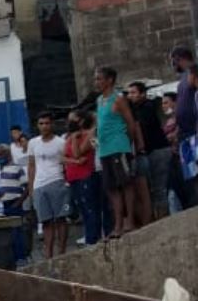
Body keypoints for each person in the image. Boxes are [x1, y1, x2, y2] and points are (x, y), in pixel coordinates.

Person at [95, 67, 146, 238]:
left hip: (119, 147)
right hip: (104, 150)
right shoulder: (99, 100)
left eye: (99, 79)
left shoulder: (118, 99)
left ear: (109, 80)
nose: (97, 82)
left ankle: (129, 221)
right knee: (111, 188)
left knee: (126, 184)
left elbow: (130, 123)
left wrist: (128, 143)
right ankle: (118, 224)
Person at [27, 112, 70, 258]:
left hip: (57, 181)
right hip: (39, 185)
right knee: (45, 221)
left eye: (47, 123)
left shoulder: (60, 142)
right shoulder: (33, 143)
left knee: (61, 219)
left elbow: (66, 164)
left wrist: (66, 182)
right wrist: (31, 188)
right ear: (37, 126)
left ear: (52, 124)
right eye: (41, 123)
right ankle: (48, 254)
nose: (44, 126)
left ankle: (62, 252)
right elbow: (31, 166)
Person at [128, 81, 171, 220]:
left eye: (133, 92)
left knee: (160, 187)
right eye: (129, 93)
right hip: (151, 151)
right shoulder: (137, 110)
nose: (130, 96)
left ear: (142, 94)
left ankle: (164, 218)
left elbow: (142, 128)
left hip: (158, 150)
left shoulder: (146, 108)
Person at [64, 111, 103, 246]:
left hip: (85, 175)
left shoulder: (87, 135)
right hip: (73, 177)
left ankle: (93, 238)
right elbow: (63, 156)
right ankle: (89, 235)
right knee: (82, 209)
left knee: (90, 208)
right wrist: (74, 162)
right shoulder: (69, 137)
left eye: (74, 120)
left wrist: (75, 138)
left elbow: (76, 153)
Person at [170, 46, 198, 208]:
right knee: (191, 172)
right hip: (185, 134)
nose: (172, 65)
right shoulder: (182, 79)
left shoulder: (193, 73)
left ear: (179, 58)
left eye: (173, 60)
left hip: (195, 132)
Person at [0, 144, 30, 263]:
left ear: (7, 154)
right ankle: (12, 258)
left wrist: (19, 202)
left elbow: (27, 187)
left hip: (14, 203)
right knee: (7, 234)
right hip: (2, 205)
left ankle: (22, 258)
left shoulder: (17, 168)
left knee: (17, 232)